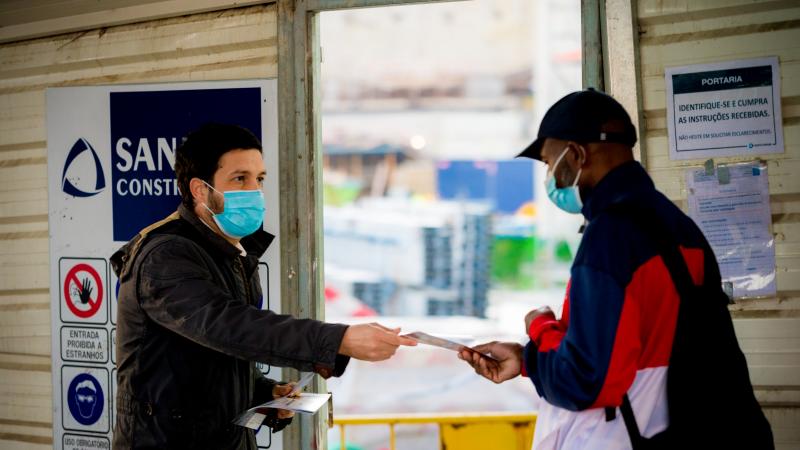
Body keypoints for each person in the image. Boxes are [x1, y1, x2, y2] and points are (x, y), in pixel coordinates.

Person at [458, 89, 772, 449]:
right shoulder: (675, 225)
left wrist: (541, 329)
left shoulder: (610, 237)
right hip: (721, 430)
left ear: (575, 155)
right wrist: (528, 359)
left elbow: (588, 381)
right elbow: (638, 345)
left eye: (548, 162)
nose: (549, 177)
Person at [110, 123, 416, 450]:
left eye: (259, 179)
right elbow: (230, 326)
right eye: (239, 178)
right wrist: (339, 339)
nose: (254, 191)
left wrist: (263, 392)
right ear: (200, 190)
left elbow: (210, 357)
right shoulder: (165, 256)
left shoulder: (231, 251)